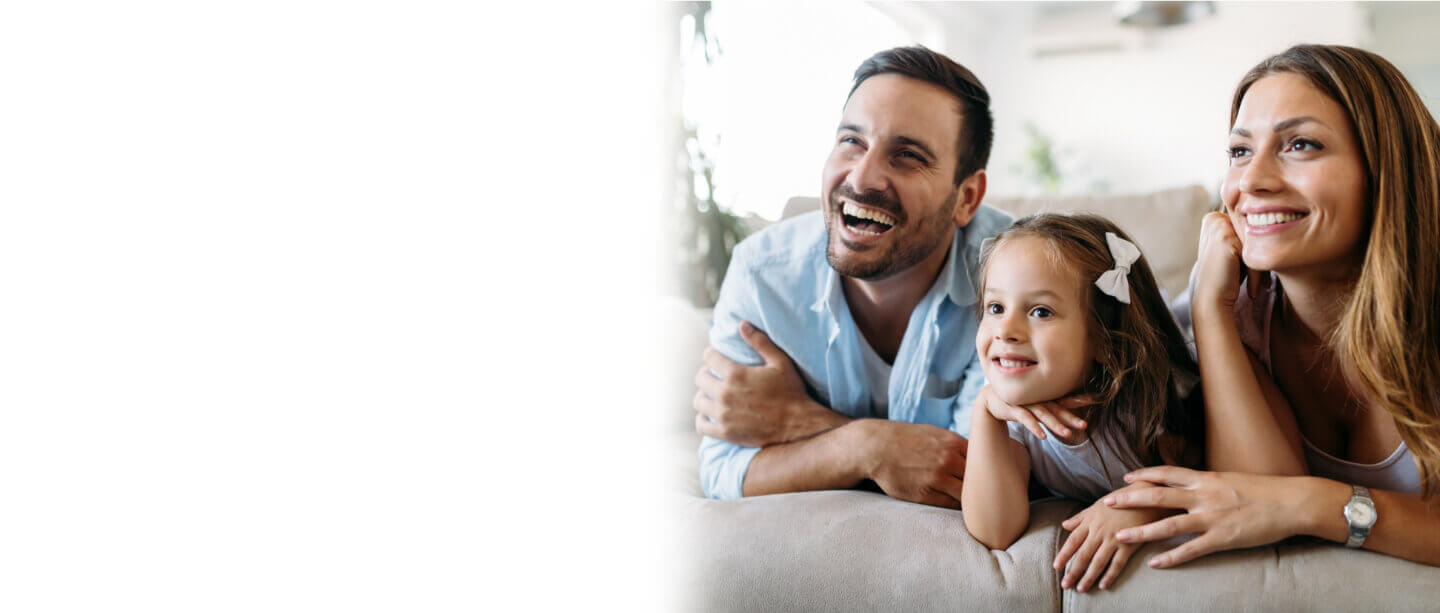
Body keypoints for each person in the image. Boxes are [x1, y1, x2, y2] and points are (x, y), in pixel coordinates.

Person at [1106, 44, 1440, 568]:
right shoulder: (1226, 312)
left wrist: (1316, 502)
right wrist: (1210, 312)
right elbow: (1257, 517)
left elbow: (1281, 504)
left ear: (1386, 169)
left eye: (1301, 144)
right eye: (1239, 152)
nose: (1251, 182)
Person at [693, 46, 1026, 507]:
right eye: (852, 141)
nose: (863, 177)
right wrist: (866, 446)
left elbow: (973, 477)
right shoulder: (762, 275)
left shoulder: (1017, 275)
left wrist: (797, 421)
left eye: (907, 155)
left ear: (966, 198)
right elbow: (724, 470)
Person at [960, 214, 1203, 593]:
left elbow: (1210, 481)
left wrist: (1139, 506)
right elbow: (995, 530)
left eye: (1040, 311)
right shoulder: (1015, 414)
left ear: (1103, 341)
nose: (1005, 331)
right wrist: (985, 411)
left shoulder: (1146, 406)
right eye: (995, 308)